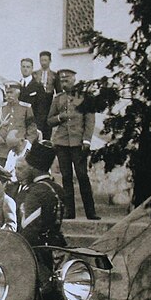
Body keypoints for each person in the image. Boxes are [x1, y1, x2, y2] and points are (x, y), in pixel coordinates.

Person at [47, 69, 100, 220]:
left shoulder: (85, 97)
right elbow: (49, 120)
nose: (64, 83)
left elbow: (90, 121)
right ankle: (70, 212)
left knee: (82, 176)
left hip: (78, 143)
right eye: (62, 81)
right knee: (66, 177)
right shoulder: (58, 99)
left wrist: (87, 140)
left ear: (74, 80)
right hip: (62, 142)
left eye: (67, 80)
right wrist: (59, 117)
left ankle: (91, 212)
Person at [14, 140, 67, 250]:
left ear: (33, 167)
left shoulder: (35, 192)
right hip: (55, 246)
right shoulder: (58, 188)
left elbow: (28, 230)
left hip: (36, 251)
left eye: (28, 165)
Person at [0, 81, 38, 166]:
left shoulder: (26, 108)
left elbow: (32, 129)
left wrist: (26, 145)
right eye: (7, 92)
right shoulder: (0, 108)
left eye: (11, 92)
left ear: (18, 93)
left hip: (19, 151)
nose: (9, 95)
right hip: (2, 150)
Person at [32, 51, 60, 140]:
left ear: (50, 61)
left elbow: (59, 92)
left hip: (49, 104)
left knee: (47, 127)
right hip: (37, 104)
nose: (43, 63)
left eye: (45, 60)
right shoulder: (35, 74)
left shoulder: (55, 75)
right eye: (41, 60)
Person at [18, 58, 46, 139]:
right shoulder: (18, 85)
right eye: (23, 67)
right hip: (20, 124)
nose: (25, 69)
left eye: (28, 67)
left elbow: (41, 109)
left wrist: (38, 127)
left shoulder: (38, 86)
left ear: (32, 68)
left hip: (32, 123)